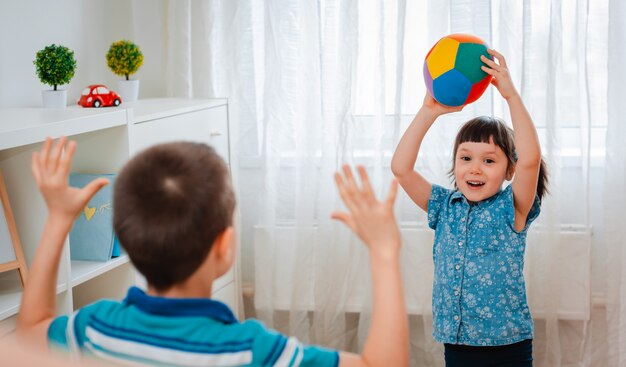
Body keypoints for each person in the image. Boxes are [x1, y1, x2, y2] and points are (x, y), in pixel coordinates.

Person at [17, 137, 408, 367]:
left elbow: (31, 328)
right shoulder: (254, 351)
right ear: (224, 247)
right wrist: (385, 252)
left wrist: (58, 219)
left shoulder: (94, 328)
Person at [391, 49, 548, 367]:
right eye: (466, 158)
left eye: (488, 160)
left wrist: (511, 96)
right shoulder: (444, 206)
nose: (475, 169)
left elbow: (530, 158)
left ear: (509, 170)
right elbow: (401, 169)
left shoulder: (511, 208)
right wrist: (427, 112)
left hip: (508, 345)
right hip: (458, 341)